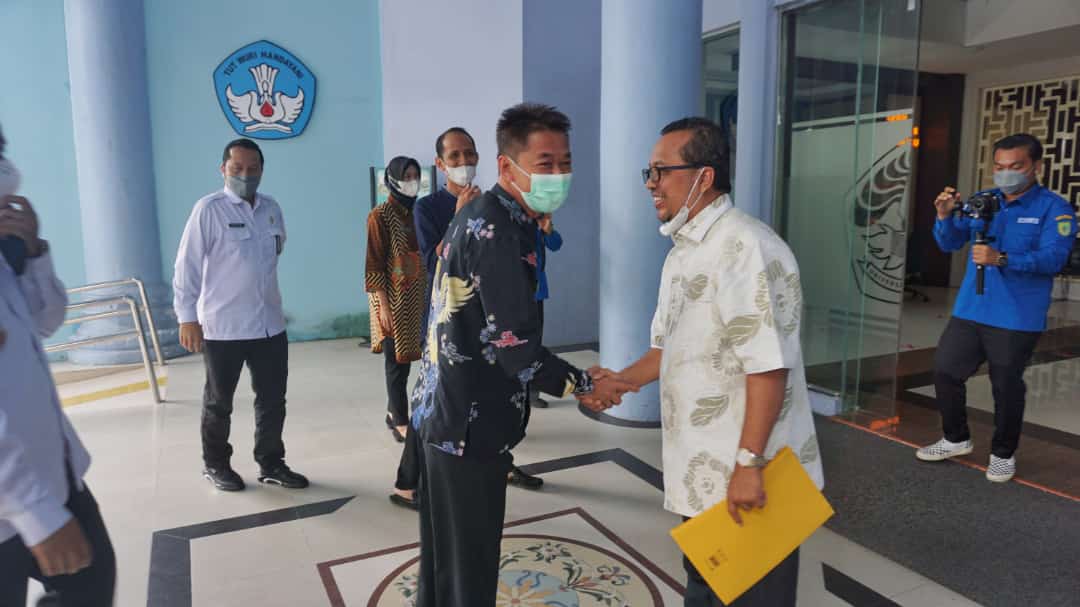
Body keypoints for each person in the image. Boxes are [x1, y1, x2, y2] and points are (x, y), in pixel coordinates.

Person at [588, 117, 823, 607]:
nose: (651, 184)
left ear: (704, 176)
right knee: (708, 588)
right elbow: (667, 350)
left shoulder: (746, 247)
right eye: (649, 173)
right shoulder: (683, 252)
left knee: (754, 596)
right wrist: (617, 381)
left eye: (661, 171)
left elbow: (767, 366)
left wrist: (749, 464)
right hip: (702, 473)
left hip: (749, 474)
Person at [410, 103, 637, 605]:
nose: (559, 174)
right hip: (467, 428)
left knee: (444, 567)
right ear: (507, 166)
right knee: (467, 572)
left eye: (565, 162)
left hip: (446, 414)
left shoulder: (487, 214)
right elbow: (514, 347)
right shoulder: (496, 230)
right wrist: (584, 384)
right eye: (545, 163)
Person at [917, 133, 1078, 482]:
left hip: (1016, 315)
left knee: (1005, 385)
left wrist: (1002, 258)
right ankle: (956, 438)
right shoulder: (984, 200)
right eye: (1000, 167)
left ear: (1036, 166)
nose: (1006, 173)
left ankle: (1003, 454)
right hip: (971, 308)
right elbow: (950, 242)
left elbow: (1054, 259)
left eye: (1016, 166)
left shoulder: (1055, 209)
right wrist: (943, 216)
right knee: (945, 372)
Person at [0, 127, 117, 606]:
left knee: (92, 585)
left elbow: (45, 321)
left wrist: (33, 254)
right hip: (14, 505)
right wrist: (36, 514)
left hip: (53, 476)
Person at [173, 138, 308, 492]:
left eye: (252, 169)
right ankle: (215, 464)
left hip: (269, 326)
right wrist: (187, 317)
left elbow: (274, 254)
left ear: (262, 170)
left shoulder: (271, 209)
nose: (245, 175)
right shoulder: (208, 210)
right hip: (223, 328)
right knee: (219, 403)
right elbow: (186, 266)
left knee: (273, 401)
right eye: (237, 169)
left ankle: (271, 463)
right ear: (223, 169)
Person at [366, 156, 427, 448]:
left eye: (415, 176)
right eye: (406, 176)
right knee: (396, 364)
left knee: (417, 359)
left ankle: (394, 411)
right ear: (392, 180)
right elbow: (374, 264)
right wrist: (384, 307)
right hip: (392, 300)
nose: (412, 181)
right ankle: (400, 420)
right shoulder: (380, 215)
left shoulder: (419, 212)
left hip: (418, 297)